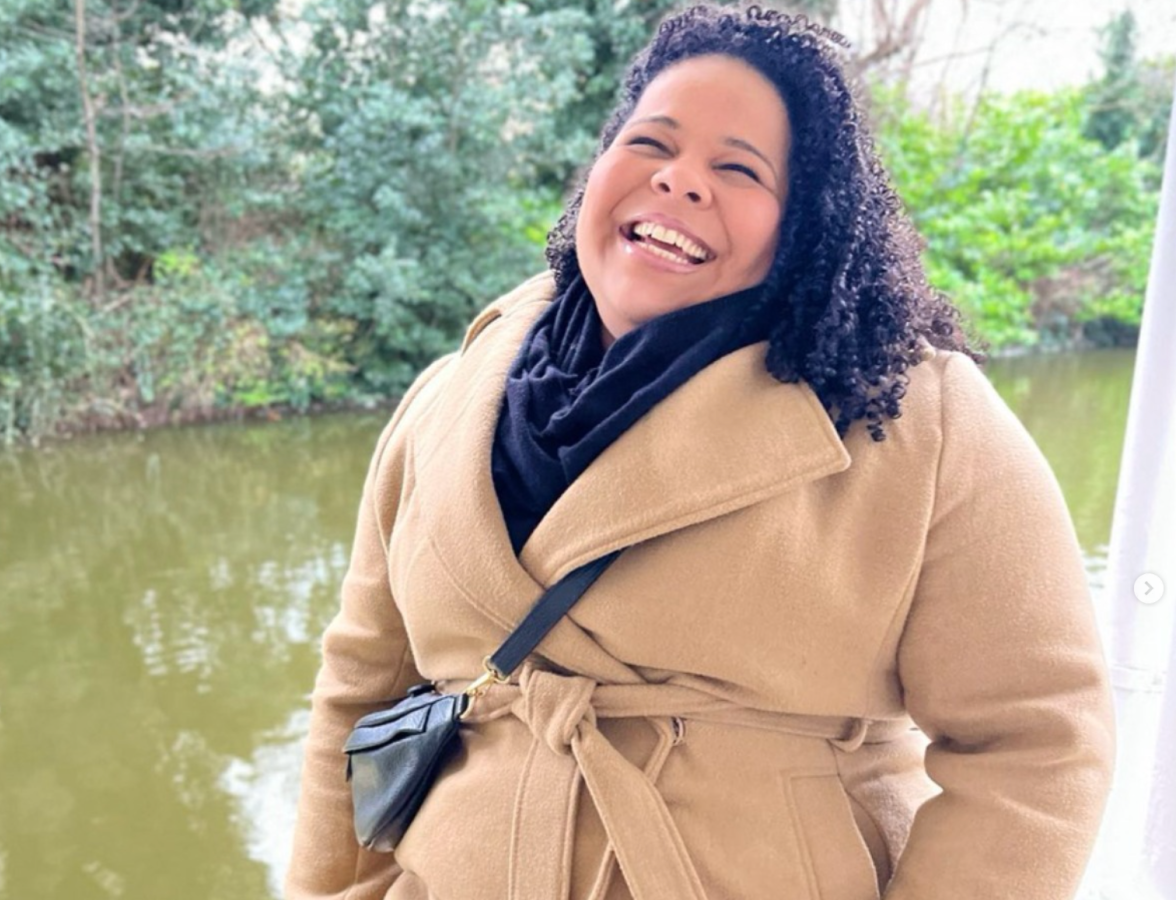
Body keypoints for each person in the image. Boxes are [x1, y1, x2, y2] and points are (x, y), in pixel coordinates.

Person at [286, 5, 1115, 899]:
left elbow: (1037, 741)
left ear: (802, 227)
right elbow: (362, 688)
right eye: (651, 144)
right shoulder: (450, 395)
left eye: (737, 168)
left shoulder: (912, 415)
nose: (681, 182)